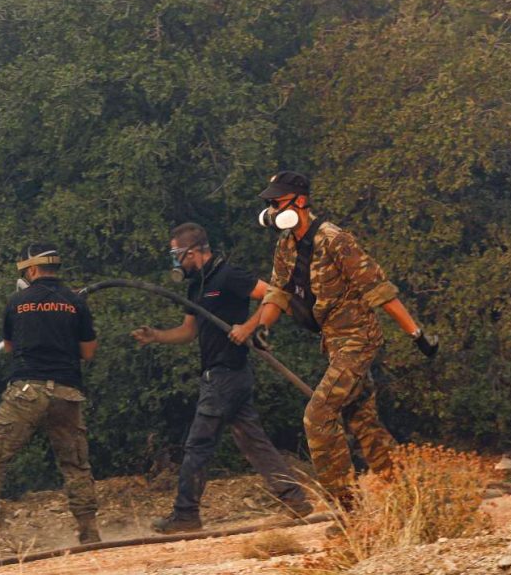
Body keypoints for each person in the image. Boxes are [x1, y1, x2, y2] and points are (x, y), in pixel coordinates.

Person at [246, 171, 438, 506]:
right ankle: (415, 497)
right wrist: (264, 325)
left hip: (358, 339)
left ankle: (348, 512)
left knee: (318, 416)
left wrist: (417, 334)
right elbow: (278, 291)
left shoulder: (335, 240)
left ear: (299, 202)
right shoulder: (286, 244)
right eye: (270, 205)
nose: (273, 211)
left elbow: (378, 289)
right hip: (334, 344)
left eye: (277, 203)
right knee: (364, 424)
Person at [131, 223, 312, 534]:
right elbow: (188, 332)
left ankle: (186, 514)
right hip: (221, 374)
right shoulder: (195, 287)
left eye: (178, 254)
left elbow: (274, 294)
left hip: (227, 374)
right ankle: (294, 498)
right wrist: (156, 336)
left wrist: (250, 326)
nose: (176, 262)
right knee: (253, 440)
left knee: (198, 444)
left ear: (196, 250)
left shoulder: (228, 275)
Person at [0, 244, 101, 556]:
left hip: (27, 392)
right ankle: (89, 532)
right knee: (76, 464)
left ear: (31, 270)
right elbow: (88, 352)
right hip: (67, 393)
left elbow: (10, 347)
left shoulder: (17, 301)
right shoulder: (75, 302)